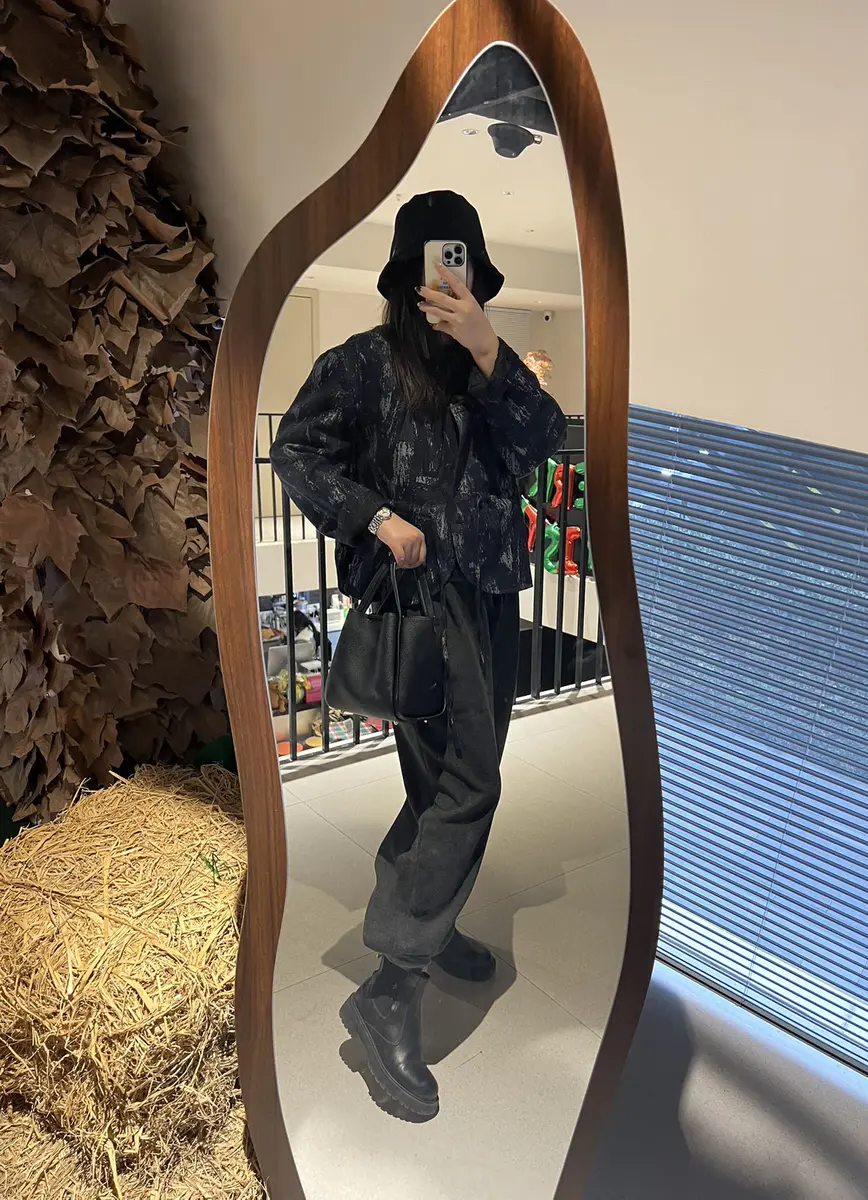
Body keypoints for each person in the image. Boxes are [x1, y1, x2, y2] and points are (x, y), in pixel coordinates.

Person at [270, 190, 566, 1119]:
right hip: (419, 604)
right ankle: (393, 984)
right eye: (438, 268)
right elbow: (296, 452)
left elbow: (547, 441)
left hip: (491, 596)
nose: (451, 283)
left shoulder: (489, 371)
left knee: (443, 784)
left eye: (464, 268)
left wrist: (490, 350)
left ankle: (427, 929)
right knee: (469, 785)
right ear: (407, 278)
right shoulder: (361, 366)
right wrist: (375, 517)